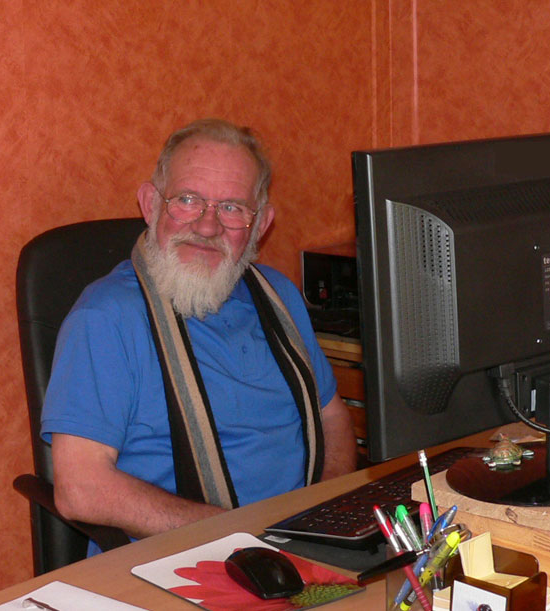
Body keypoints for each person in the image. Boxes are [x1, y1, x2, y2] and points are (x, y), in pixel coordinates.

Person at [41, 118, 356, 549]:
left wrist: (327, 511)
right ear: (150, 204)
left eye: (232, 208)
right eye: (187, 200)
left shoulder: (279, 296)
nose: (208, 227)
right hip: (179, 559)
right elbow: (81, 488)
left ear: (261, 224)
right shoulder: (106, 318)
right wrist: (240, 537)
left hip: (304, 547)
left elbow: (332, 417)